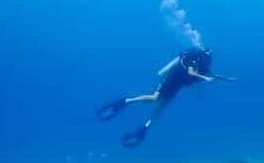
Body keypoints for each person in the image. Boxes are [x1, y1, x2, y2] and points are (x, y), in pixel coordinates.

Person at [97, 46, 235, 147]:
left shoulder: (203, 65)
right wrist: (205, 79)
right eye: (208, 57)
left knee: (161, 109)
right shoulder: (194, 59)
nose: (208, 60)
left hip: (176, 86)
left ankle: (143, 129)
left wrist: (225, 78)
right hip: (170, 80)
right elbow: (191, 73)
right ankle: (124, 102)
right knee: (154, 98)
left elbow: (212, 75)